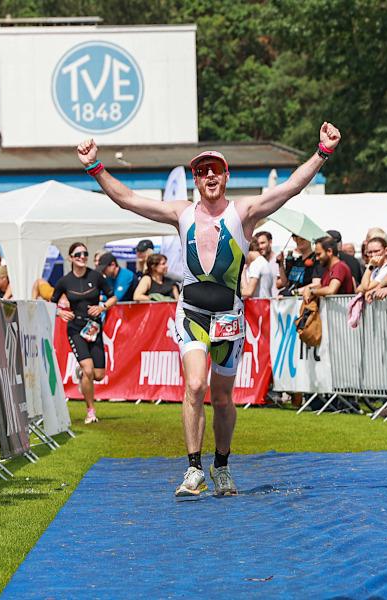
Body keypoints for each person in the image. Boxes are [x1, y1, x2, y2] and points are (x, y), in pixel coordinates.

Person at [76, 120, 341, 496]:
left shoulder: (244, 211)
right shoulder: (182, 212)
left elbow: (291, 187)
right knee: (195, 385)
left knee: (222, 397)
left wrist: (322, 152)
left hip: (229, 316)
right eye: (202, 172)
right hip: (192, 313)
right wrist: (94, 166)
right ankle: (193, 468)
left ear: (226, 176)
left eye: (216, 170)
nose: (210, 176)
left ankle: (222, 465)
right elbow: (129, 199)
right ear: (196, 180)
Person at [51, 242, 117, 424]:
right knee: (89, 370)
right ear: (70, 258)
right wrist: (60, 312)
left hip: (94, 328)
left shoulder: (96, 276)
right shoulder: (64, 281)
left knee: (98, 375)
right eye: (78, 254)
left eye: (85, 254)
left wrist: (102, 307)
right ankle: (91, 411)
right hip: (75, 329)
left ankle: (81, 374)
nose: (82, 257)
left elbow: (113, 297)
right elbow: (51, 304)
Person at [302, 237, 354, 301]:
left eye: (319, 254)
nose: (317, 258)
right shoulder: (329, 270)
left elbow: (331, 290)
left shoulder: (340, 267)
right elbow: (322, 286)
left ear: (329, 251)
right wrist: (308, 288)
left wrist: (312, 291)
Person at [254, 230, 285, 295]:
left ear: (270, 242)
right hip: (260, 300)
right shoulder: (255, 263)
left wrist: (281, 264)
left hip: (276, 299)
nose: (260, 247)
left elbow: (284, 283)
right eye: (257, 244)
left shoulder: (280, 260)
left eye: (262, 243)